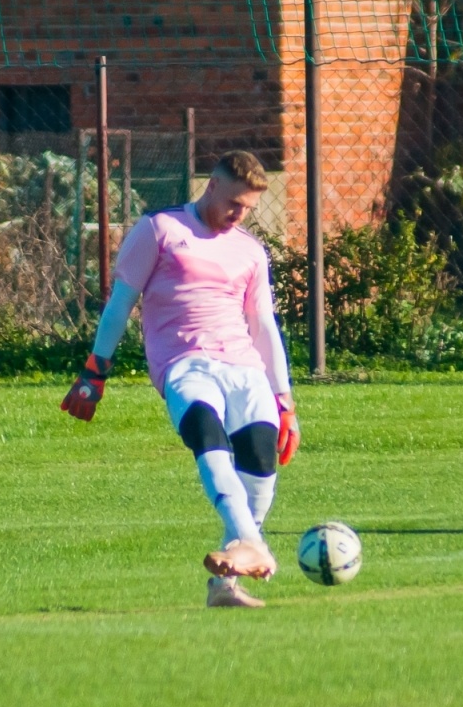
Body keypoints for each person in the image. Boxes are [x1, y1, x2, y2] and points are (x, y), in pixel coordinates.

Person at [62, 150, 299, 608]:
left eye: (248, 208)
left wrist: (284, 400)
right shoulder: (160, 228)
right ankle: (254, 545)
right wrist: (96, 369)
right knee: (207, 437)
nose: (239, 214)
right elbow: (120, 303)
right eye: (234, 203)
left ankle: (226, 584)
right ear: (212, 185)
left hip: (244, 366)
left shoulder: (250, 250)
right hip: (185, 363)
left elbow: (264, 325)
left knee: (260, 460)